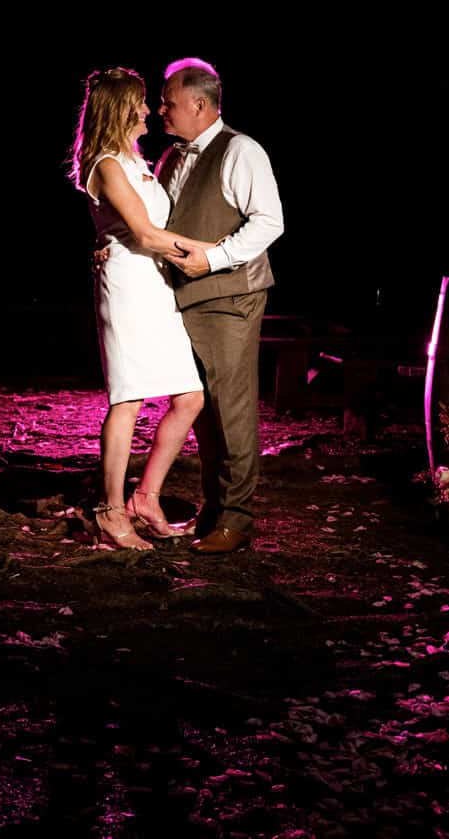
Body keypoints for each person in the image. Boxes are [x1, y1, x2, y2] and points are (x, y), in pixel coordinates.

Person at [70, 67, 210, 549]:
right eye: (142, 102)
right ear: (120, 108)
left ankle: (145, 497)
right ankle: (110, 510)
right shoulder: (106, 163)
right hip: (128, 286)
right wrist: (213, 252)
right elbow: (146, 234)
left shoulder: (136, 159)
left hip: (155, 284)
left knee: (189, 397)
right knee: (127, 399)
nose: (150, 109)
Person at [154, 58, 285, 554]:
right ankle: (214, 508)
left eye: (168, 102)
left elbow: (269, 221)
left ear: (200, 105)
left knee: (231, 408)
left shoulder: (241, 150)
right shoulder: (171, 157)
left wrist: (214, 259)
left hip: (230, 295)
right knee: (202, 408)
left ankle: (237, 518)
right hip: (186, 298)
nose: (161, 110)